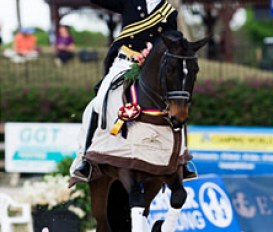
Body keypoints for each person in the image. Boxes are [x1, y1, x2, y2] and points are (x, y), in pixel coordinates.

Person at [70, 0, 196, 181]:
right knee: (98, 102)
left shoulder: (169, 12)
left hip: (151, 67)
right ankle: (85, 158)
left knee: (178, 102)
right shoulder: (130, 2)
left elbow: (171, 43)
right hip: (125, 61)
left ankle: (182, 160)